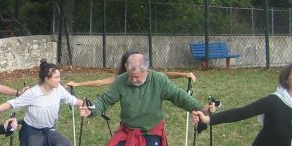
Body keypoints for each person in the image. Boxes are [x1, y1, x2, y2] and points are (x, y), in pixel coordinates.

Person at [67, 51, 196, 90]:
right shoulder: (122, 77)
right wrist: (78, 84)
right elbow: (100, 82)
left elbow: (165, 75)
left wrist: (185, 74)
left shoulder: (145, 71)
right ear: (126, 64)